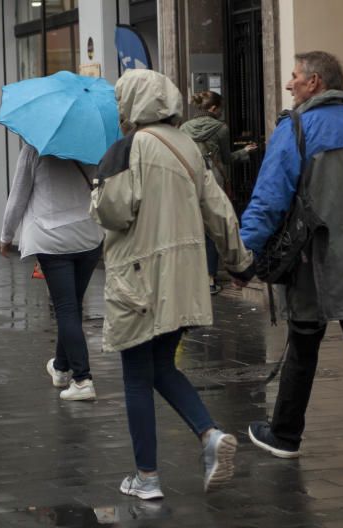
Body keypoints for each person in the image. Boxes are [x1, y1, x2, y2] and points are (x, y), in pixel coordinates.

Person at [236, 51, 343, 475]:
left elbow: (270, 198)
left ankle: (286, 435)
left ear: (314, 82)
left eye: (294, 77)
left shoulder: (296, 129)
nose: (289, 84)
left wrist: (243, 255)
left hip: (313, 256)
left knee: (303, 345)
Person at [90, 69, 253, 500]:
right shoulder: (188, 146)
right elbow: (219, 210)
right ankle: (209, 435)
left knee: (136, 376)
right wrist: (240, 261)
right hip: (183, 278)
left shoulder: (131, 148)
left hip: (139, 280)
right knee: (162, 365)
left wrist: (97, 186)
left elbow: (114, 213)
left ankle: (146, 477)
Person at [0, 142, 103, 401]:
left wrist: (6, 234)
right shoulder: (91, 145)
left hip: (51, 237)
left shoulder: (34, 148)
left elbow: (19, 195)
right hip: (88, 236)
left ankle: (82, 379)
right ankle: (61, 367)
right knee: (72, 305)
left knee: (66, 307)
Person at [180, 90, 257, 296]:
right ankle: (210, 278)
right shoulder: (221, 128)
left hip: (189, 180)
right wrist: (245, 152)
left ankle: (192, 277)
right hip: (213, 180)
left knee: (192, 228)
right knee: (214, 228)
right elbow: (225, 159)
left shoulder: (184, 127)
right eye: (220, 107)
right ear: (213, 109)